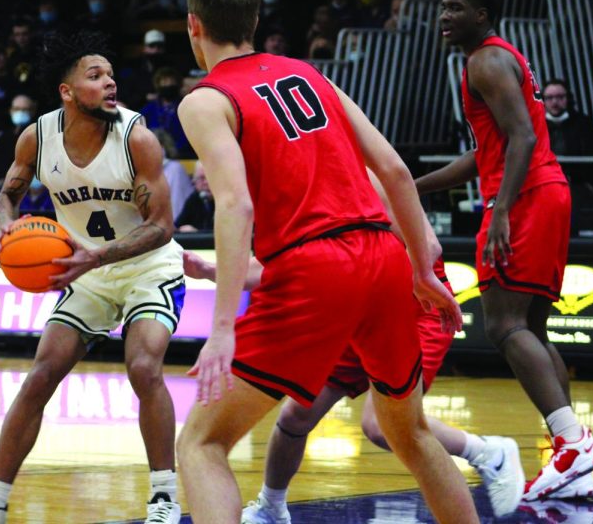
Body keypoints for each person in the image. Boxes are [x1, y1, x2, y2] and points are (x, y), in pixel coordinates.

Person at [173, 0, 478, 524]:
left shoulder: (205, 100)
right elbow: (393, 170)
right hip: (383, 253)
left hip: (314, 267)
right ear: (255, 18)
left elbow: (235, 204)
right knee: (409, 434)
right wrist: (422, 268)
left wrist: (220, 330)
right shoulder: (310, 75)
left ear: (194, 24)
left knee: (201, 443)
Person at [186, 169, 526, 521]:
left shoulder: (362, 176)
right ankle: (271, 508)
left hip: (414, 307)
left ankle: (488, 453)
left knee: (383, 427)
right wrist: (211, 271)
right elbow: (275, 268)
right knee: (296, 415)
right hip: (356, 304)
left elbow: (429, 245)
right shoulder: (288, 188)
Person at [0, 30, 184, 524]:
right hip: (85, 270)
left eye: (110, 74)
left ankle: (165, 498)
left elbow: (162, 227)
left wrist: (97, 258)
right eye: (95, 76)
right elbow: (6, 198)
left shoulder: (136, 137)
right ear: (67, 92)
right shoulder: (37, 137)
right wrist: (6, 229)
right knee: (41, 374)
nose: (110, 83)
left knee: (143, 368)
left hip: (147, 267)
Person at [416, 0, 593, 502]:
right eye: (443, 5)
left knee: (502, 326)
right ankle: (575, 468)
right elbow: (489, 152)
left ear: (482, 15)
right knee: (533, 331)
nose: (445, 14)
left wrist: (500, 212)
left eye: (458, 7)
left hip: (525, 197)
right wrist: (416, 186)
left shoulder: (484, 60)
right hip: (545, 192)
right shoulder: (498, 58)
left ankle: (573, 442)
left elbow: (522, 136)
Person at [541, 78, 593, 186]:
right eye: (549, 97)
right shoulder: (537, 124)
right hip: (546, 181)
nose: (555, 101)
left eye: (560, 97)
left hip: (581, 182)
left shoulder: (583, 123)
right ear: (543, 100)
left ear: (568, 98)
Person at [175, 160, 214, 232]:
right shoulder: (194, 199)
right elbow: (177, 226)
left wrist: (197, 233)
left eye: (210, 177)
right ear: (194, 181)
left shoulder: (226, 201)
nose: (206, 182)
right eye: (202, 178)